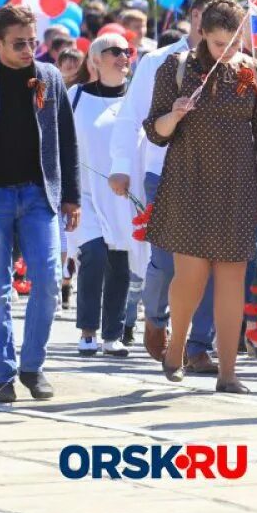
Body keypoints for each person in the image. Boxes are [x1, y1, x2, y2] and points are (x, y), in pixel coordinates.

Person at [143, 0, 257, 394]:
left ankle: (228, 373)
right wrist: (175, 113)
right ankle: (176, 351)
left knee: (232, 281)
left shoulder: (254, 73)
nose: (228, 51)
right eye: (221, 43)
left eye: (235, 44)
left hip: (240, 189)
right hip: (190, 184)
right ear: (203, 34)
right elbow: (155, 130)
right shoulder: (177, 68)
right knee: (189, 279)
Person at [110, 0, 224, 375]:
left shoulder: (233, 65)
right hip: (164, 172)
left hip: (214, 177)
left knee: (210, 260)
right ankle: (156, 317)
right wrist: (121, 166)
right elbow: (130, 118)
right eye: (206, 18)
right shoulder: (159, 61)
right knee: (165, 260)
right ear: (194, 18)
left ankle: (197, 346)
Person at [0, 5, 80, 403]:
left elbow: (67, 137)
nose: (29, 49)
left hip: (38, 194)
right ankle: (2, 372)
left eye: (32, 41)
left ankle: (33, 366)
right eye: (19, 43)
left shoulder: (48, 76)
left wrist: (72, 196)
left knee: (47, 282)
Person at [69, 33, 145, 359]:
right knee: (94, 255)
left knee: (119, 262)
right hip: (85, 193)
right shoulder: (75, 96)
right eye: (115, 51)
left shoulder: (135, 99)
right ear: (96, 59)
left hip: (123, 196)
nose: (123, 56)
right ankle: (88, 331)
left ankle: (113, 334)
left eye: (127, 52)